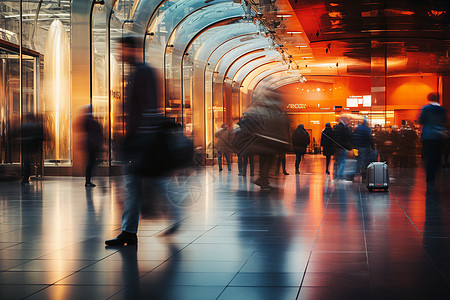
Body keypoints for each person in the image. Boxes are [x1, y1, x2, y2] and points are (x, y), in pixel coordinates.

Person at [106, 36, 159, 246]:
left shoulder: (142, 73)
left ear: (131, 50)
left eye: (121, 49)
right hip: (138, 141)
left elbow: (147, 108)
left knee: (141, 184)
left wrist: (142, 137)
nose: (119, 54)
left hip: (140, 142)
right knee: (136, 185)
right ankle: (129, 231)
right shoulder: (137, 72)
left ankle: (131, 230)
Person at [419, 92, 447, 186]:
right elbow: (444, 121)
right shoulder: (442, 110)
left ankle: (430, 175)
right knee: (438, 155)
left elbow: (421, 120)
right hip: (439, 135)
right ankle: (435, 172)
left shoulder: (426, 109)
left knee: (429, 155)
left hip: (428, 135)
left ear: (428, 98)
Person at [83, 105, 103, 187]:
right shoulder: (90, 122)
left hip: (91, 144)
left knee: (91, 162)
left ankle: (88, 180)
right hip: (93, 145)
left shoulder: (88, 121)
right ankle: (88, 181)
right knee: (91, 162)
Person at [21, 115, 44, 184]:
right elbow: (41, 136)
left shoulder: (24, 126)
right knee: (30, 160)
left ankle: (26, 175)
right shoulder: (37, 126)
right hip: (33, 146)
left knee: (27, 160)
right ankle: (29, 173)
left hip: (26, 145)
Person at [333, 115, 352, 180]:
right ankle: (340, 176)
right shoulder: (343, 127)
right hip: (343, 147)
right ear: (345, 120)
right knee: (342, 162)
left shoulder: (337, 127)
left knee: (337, 161)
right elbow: (347, 136)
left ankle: (335, 176)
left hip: (338, 147)